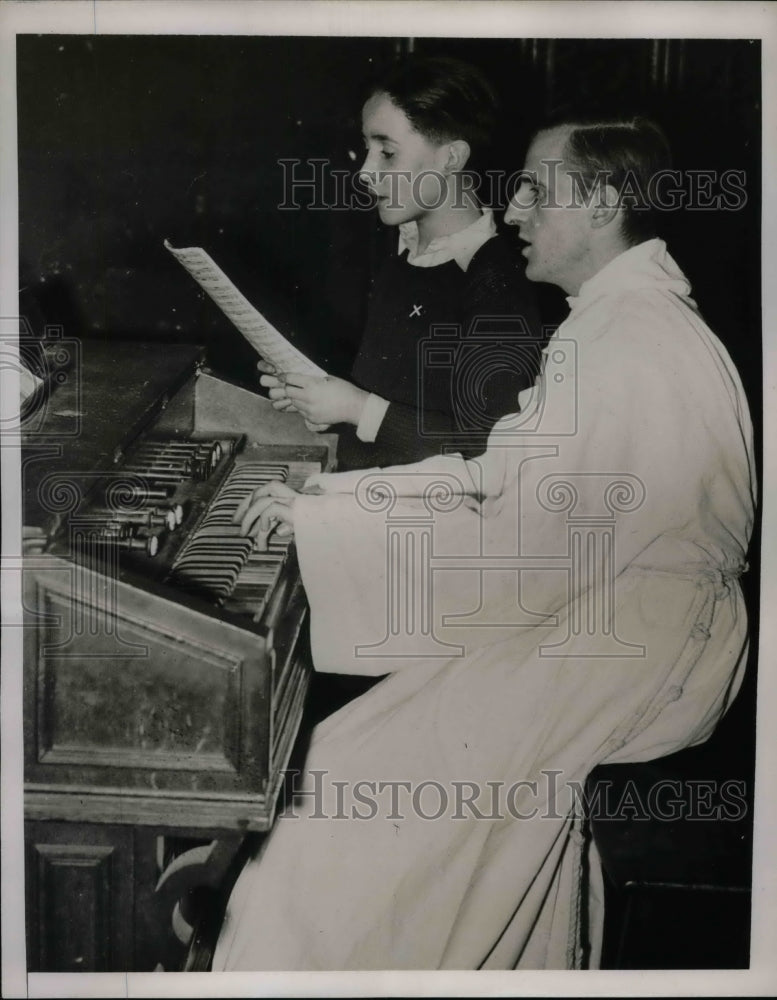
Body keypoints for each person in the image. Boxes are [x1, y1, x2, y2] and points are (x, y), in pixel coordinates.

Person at [212, 112, 756, 970]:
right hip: (609, 619)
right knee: (369, 773)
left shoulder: (627, 340)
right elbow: (498, 482)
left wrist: (328, 519)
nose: (513, 214)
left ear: (604, 202)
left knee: (340, 791)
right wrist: (331, 497)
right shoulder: (616, 323)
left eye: (537, 191)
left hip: (628, 642)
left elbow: (518, 538)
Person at [261, 55, 544, 469]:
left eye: (387, 153)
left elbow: (485, 454)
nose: (365, 172)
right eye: (366, 148)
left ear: (451, 159)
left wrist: (357, 408)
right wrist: (319, 399)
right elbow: (396, 418)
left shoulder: (497, 283)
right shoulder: (400, 253)